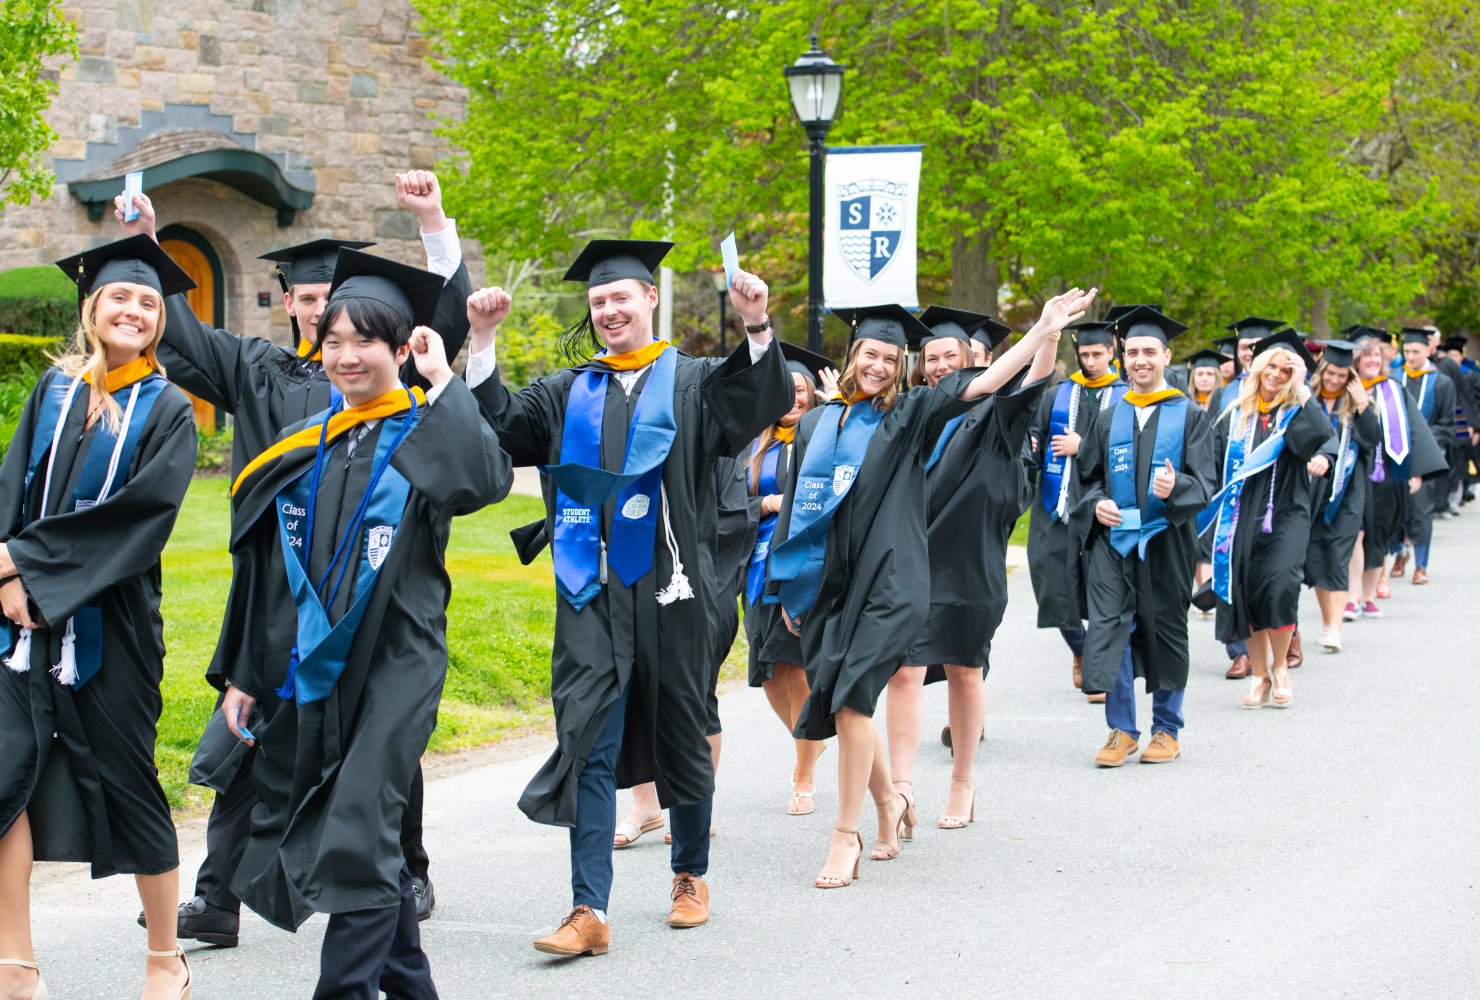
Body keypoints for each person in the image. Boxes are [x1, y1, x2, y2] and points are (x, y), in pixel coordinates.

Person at [117, 173, 466, 938]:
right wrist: (147, 243)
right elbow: (182, 332)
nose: (318, 313)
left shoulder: (387, 373)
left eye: (330, 300)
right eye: (306, 301)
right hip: (277, 589)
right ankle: (219, 894)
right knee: (244, 735)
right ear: (290, 305)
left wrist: (434, 226)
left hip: (367, 588)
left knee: (376, 743)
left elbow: (446, 324)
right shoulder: (262, 371)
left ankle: (402, 874)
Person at [466, 239, 790, 953]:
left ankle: (690, 873)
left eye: (621, 297)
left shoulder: (697, 381)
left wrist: (757, 327)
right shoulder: (566, 390)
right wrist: (482, 341)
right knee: (588, 736)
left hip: (676, 590)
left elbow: (761, 401)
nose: (609, 310)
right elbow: (504, 428)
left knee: (683, 723)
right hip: (591, 592)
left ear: (650, 299)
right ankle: (589, 910)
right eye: (597, 302)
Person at [216, 251, 512, 999]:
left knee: (357, 822)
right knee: (366, 832)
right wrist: (249, 676)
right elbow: (276, 579)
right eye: (334, 341)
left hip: (398, 662)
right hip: (323, 666)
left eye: (365, 342)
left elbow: (484, 478)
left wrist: (443, 378)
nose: (346, 357)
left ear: (399, 347)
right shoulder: (307, 447)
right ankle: (411, 988)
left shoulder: (424, 429)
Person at [768, 290, 1096, 886]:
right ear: (852, 355)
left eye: (891, 359)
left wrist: (1043, 329)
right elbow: (796, 510)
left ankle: (847, 836)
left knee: (854, 698)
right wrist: (789, 587)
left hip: (892, 581)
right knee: (842, 706)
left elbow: (986, 382)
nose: (879, 367)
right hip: (829, 586)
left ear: (903, 367)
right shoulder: (815, 422)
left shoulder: (913, 413)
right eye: (870, 354)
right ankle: (891, 804)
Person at [0, 235, 199, 1000]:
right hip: (17, 628)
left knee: (128, 780)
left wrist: (24, 569)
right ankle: (16, 962)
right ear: (93, 307)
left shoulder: (169, 408)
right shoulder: (51, 393)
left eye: (148, 303)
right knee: (5, 773)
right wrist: (6, 578)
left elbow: (141, 517)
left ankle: (164, 958)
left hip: (109, 628)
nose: (135, 310)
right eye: (121, 297)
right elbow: (11, 488)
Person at [888, 306, 1054, 832]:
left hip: (970, 563)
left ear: (971, 360)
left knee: (964, 668)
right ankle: (901, 788)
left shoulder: (993, 414)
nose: (938, 365)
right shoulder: (915, 412)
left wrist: (1046, 332)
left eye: (948, 356)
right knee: (905, 669)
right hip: (914, 559)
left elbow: (1036, 380)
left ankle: (963, 780)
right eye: (930, 357)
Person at [1072, 306, 1218, 767]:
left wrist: (1180, 488)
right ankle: (1121, 730)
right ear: (1122, 356)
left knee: (1167, 629)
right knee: (1111, 627)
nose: (1140, 360)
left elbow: (1206, 482)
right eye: (1132, 351)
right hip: (1114, 544)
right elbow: (1088, 478)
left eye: (1149, 352)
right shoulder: (1108, 415)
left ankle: (1166, 729)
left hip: (1166, 538)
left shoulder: (1189, 414)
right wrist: (1096, 504)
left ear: (1166, 355)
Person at [1199, 331, 1334, 709]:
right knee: (1247, 593)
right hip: (1241, 514)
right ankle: (1259, 675)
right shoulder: (1235, 413)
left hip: (1285, 512)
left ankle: (1280, 667)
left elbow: (1319, 440)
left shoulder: (1297, 412)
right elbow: (1211, 458)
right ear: (1258, 368)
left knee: (1279, 587)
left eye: (1285, 369)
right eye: (1271, 366)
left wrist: (1303, 393)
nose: (1276, 374)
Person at [741, 343, 833, 817]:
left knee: (795, 669)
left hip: (801, 570)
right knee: (770, 675)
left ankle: (804, 775)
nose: (794, 399)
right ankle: (809, 739)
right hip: (754, 570)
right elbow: (731, 500)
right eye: (786, 390)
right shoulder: (754, 443)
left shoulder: (822, 438)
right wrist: (767, 505)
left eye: (801, 390)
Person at [1026, 320, 1127, 702]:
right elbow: (1036, 437)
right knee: (1051, 586)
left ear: (1111, 352)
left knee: (1099, 589)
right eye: (1084, 354)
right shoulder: (1059, 394)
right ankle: (1081, 649)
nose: (1090, 361)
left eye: (1096, 354)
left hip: (1099, 507)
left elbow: (1125, 450)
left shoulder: (1125, 395)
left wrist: (1082, 445)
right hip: (1056, 507)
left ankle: (1099, 664)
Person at [1347, 331, 1446, 618]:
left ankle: (1369, 595)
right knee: (1355, 533)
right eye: (1367, 356)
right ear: (1357, 360)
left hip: (1387, 474)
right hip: (1354, 473)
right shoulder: (1346, 387)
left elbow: (1414, 429)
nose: (1374, 361)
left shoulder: (1393, 389)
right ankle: (1352, 595)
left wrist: (1416, 471)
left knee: (1378, 534)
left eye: (1377, 356)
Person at [1301, 341, 1379, 653]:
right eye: (1330, 373)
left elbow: (1373, 441)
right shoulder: (1308, 400)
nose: (1334, 379)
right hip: (1311, 490)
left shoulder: (1359, 404)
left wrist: (1362, 405)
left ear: (1350, 376)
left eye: (1341, 374)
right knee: (1318, 557)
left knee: (1337, 555)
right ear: (1322, 371)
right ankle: (1327, 620)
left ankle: (1333, 628)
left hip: (1348, 492)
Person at [1390, 328, 1456, 584]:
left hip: (1425, 455)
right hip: (1397, 454)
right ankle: (1399, 554)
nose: (1410, 357)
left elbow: (1447, 425)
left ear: (1428, 350)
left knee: (1421, 509)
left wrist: (1421, 437)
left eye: (1415, 352)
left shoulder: (1442, 383)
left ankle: (1421, 565)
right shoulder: (1394, 379)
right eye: (1406, 352)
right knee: (1394, 508)